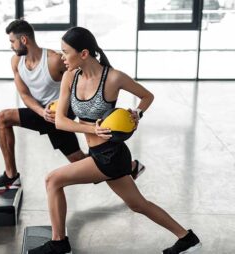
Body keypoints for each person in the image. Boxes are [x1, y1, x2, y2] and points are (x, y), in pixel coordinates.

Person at [28, 27, 202, 254]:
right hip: (100, 154)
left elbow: (147, 96)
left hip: (110, 155)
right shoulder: (70, 76)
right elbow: (60, 122)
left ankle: (59, 243)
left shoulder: (113, 77)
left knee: (53, 180)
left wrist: (137, 114)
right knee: (138, 204)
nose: (61, 57)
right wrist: (92, 128)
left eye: (65, 52)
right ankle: (187, 238)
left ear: (83, 54)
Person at [0, 20, 145, 191]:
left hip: (60, 115)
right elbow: (24, 94)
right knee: (3, 118)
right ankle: (11, 176)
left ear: (23, 40)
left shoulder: (54, 60)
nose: (11, 46)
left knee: (81, 162)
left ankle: (128, 166)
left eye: (12, 42)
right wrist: (41, 111)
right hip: (43, 114)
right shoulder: (16, 62)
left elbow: (79, 81)